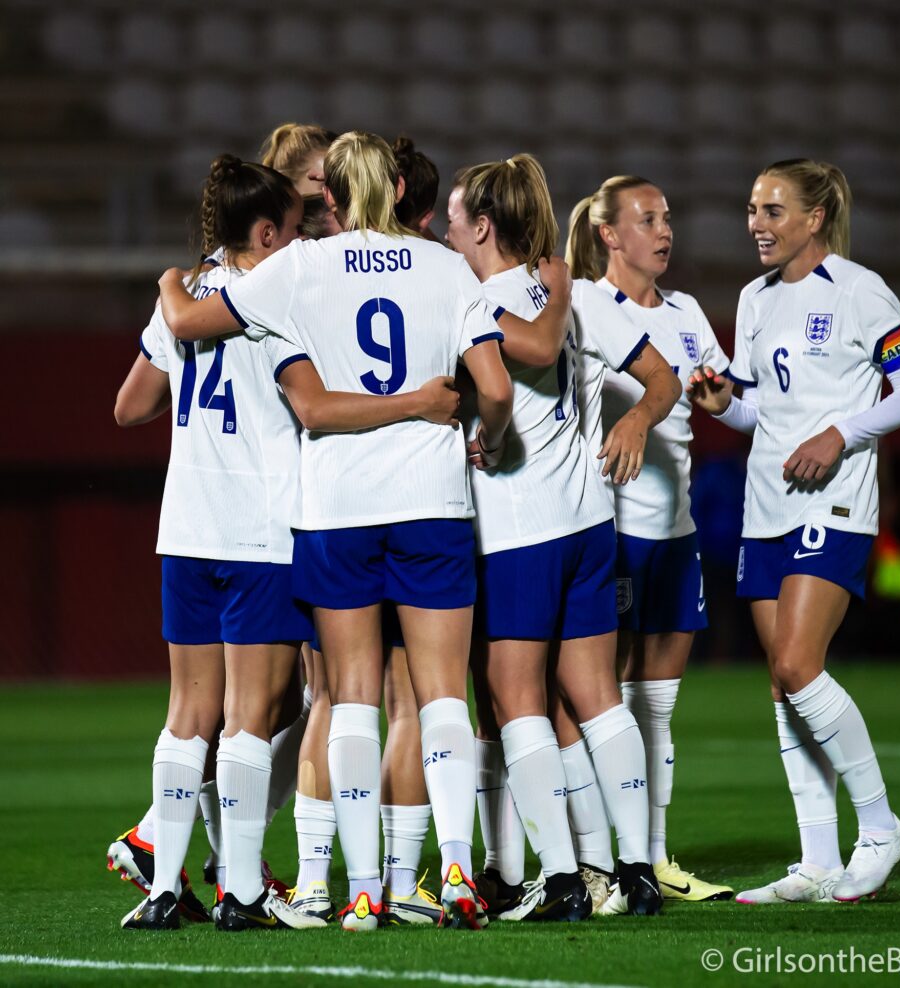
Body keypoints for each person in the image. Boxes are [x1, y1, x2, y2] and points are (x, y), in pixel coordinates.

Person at [156, 130, 554, 931]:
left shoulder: (296, 267)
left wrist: (171, 282)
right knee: (444, 695)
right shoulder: (444, 266)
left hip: (336, 509)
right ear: (399, 191)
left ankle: (364, 889)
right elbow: (498, 387)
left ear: (326, 197)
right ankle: (454, 876)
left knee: (350, 698)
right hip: (433, 501)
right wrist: (491, 439)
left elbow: (192, 324)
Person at [687, 158, 900, 904]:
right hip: (767, 508)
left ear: (814, 218)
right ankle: (818, 861)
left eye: (772, 209)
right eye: (752, 209)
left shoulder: (861, 291)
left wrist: (841, 434)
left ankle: (882, 828)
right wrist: (721, 404)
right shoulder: (754, 300)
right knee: (783, 684)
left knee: (797, 664)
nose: (756, 223)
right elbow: (758, 410)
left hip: (834, 503)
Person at [447, 154, 680, 920]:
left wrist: (485, 429)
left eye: (454, 217)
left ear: (482, 225)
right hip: (590, 523)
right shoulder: (571, 292)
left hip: (520, 529)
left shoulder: (474, 301)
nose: (446, 229)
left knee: (516, 702)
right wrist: (640, 418)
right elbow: (665, 378)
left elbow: (510, 378)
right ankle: (637, 869)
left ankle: (559, 879)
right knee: (600, 700)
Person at [114, 154, 321, 932]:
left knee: (187, 714)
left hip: (187, 526)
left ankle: (164, 886)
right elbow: (313, 406)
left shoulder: (191, 292)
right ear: (264, 232)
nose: (302, 244)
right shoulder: (277, 298)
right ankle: (241, 889)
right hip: (259, 531)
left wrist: (173, 294)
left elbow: (129, 407)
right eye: (294, 230)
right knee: (248, 717)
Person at [565, 176, 735, 904]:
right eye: (647, 219)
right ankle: (598, 855)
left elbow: (729, 402)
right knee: (606, 699)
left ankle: (654, 858)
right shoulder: (581, 305)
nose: (665, 231)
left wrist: (721, 397)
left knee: (658, 704)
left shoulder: (690, 312)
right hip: (613, 528)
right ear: (609, 235)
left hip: (677, 529)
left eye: (668, 217)